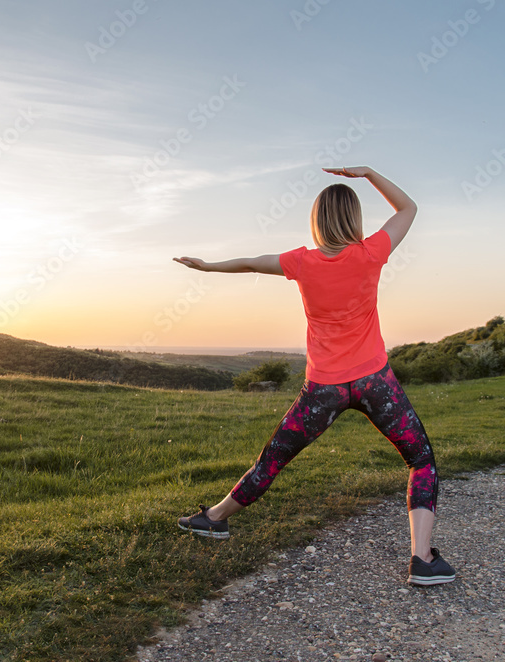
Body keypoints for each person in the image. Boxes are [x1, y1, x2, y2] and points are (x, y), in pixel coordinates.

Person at [172, 166, 455, 586]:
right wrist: (369, 174)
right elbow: (408, 207)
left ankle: (214, 519)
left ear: (317, 219)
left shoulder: (301, 262)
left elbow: (251, 262)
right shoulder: (372, 251)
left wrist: (210, 267)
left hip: (324, 388)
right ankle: (422, 559)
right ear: (353, 218)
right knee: (421, 461)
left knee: (273, 459)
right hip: (376, 381)